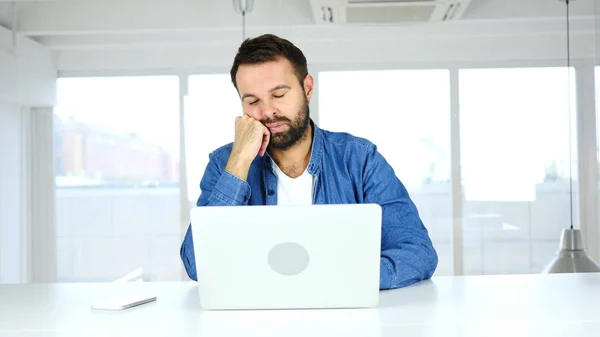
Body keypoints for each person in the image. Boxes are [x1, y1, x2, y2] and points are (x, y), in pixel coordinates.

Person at [180, 33, 438, 290]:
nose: (268, 111)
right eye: (253, 101)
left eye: (279, 95)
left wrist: (330, 279)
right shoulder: (224, 163)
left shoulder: (359, 159)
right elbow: (197, 264)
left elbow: (417, 253)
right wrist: (238, 162)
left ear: (307, 88)